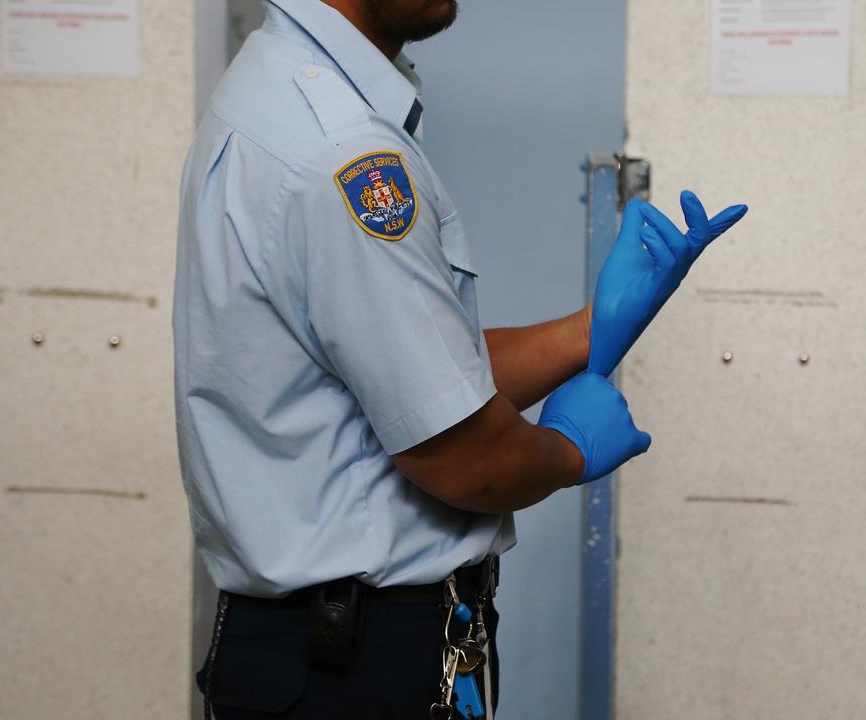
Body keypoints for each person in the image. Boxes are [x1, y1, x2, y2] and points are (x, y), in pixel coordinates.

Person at [173, 1, 747, 717]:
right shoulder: (340, 153)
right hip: (352, 666)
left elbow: (416, 377)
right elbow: (460, 457)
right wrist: (567, 450)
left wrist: (591, 330)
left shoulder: (281, 88)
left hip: (338, 650)